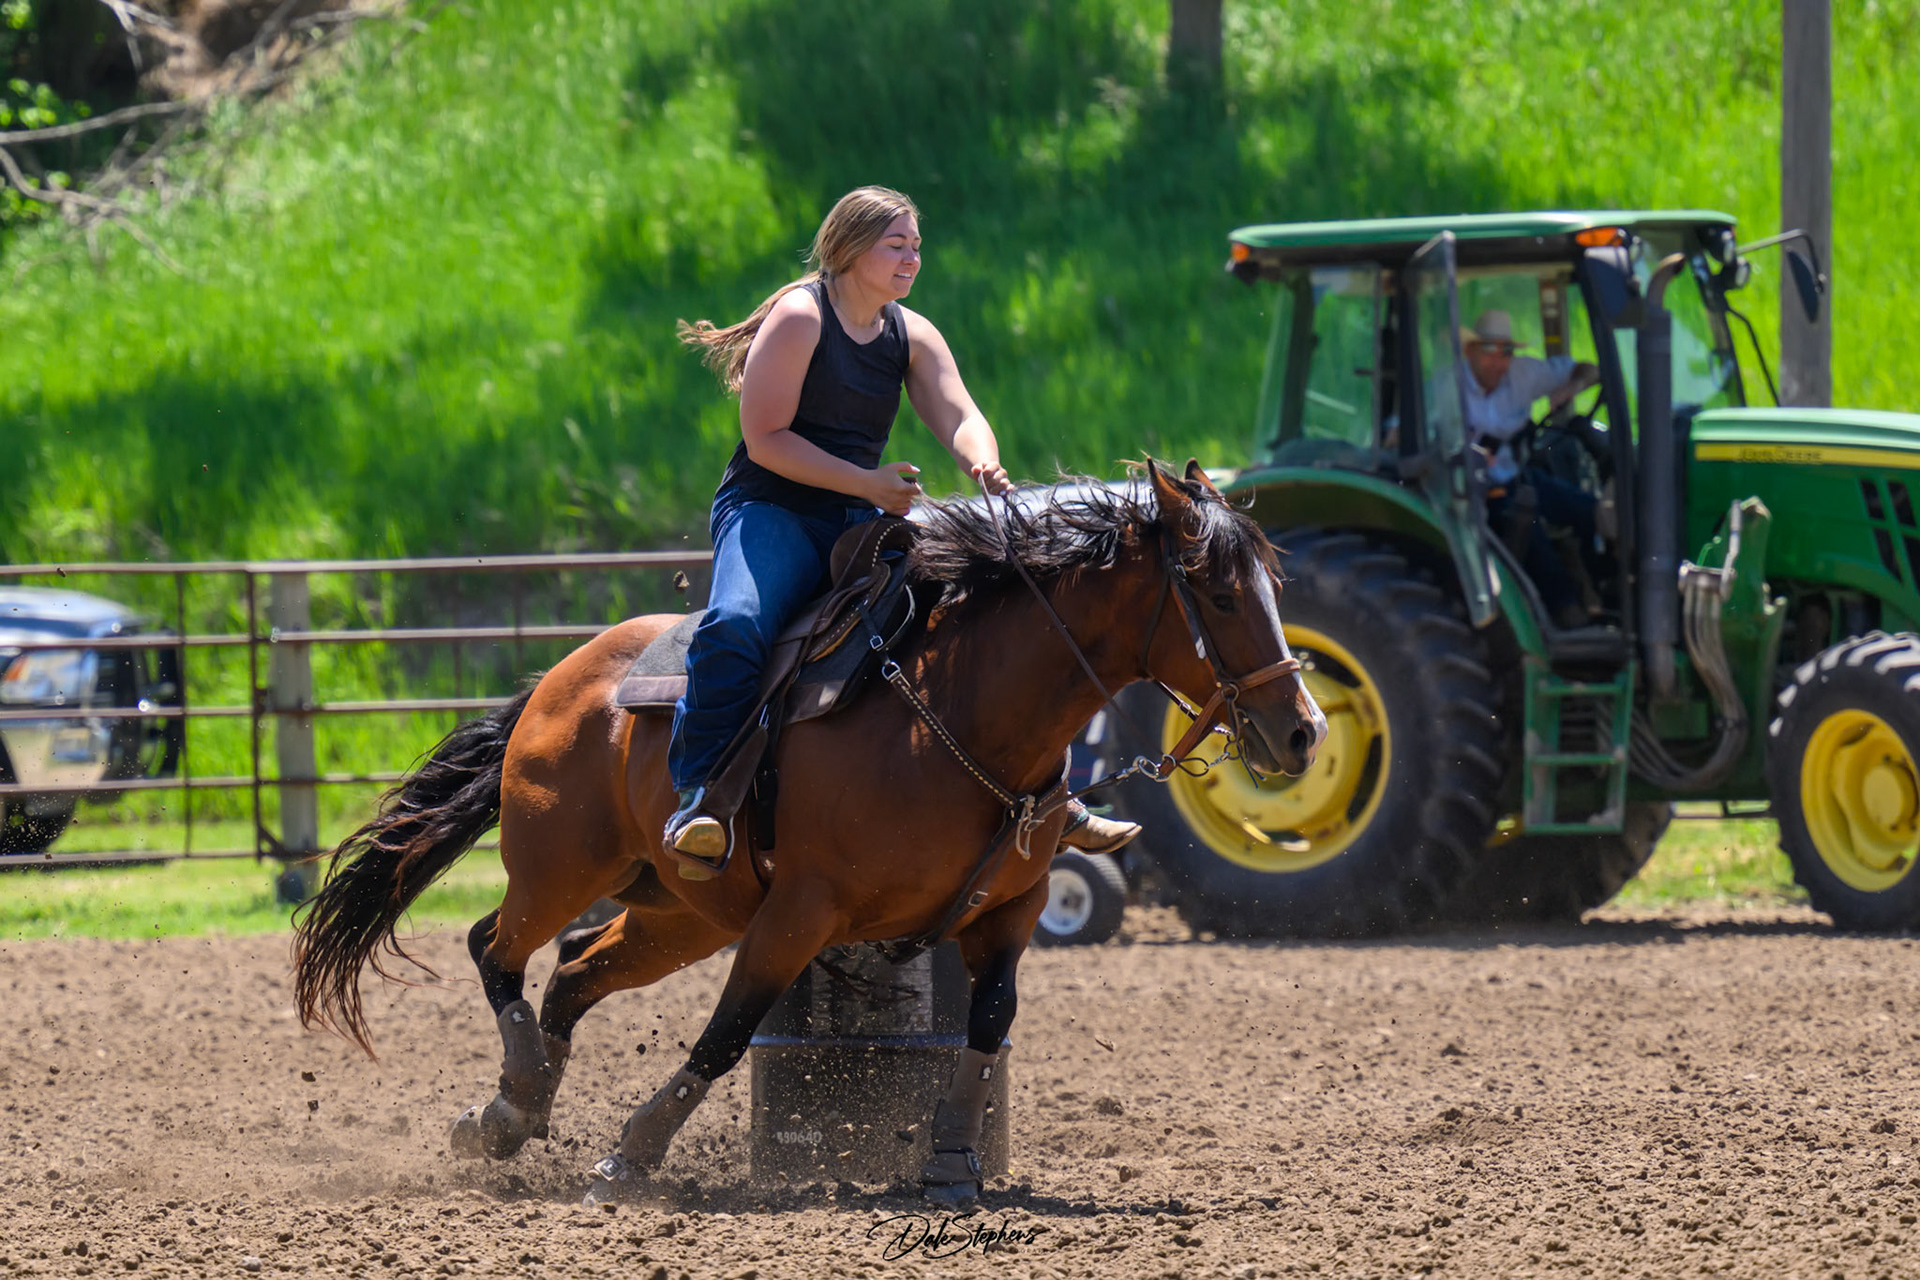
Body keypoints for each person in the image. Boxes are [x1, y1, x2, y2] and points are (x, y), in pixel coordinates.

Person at [667, 186, 1138, 878]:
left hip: (863, 512)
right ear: (848, 248)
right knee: (738, 623)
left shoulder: (910, 332)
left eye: (916, 246)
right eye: (897, 245)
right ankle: (696, 797)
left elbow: (959, 412)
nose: (912, 258)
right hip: (771, 510)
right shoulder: (800, 318)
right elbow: (766, 440)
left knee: (985, 617)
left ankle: (1048, 797)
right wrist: (867, 484)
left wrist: (980, 457)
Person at [1455, 310, 1606, 630]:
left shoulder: (1523, 373)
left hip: (1518, 477)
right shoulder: (1446, 387)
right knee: (1527, 521)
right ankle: (1566, 614)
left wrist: (1573, 385)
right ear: (1470, 351)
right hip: (1471, 493)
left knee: (1593, 511)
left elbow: (1589, 369)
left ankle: (1601, 593)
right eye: (1489, 350)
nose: (1499, 361)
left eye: (1507, 351)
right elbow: (1401, 435)